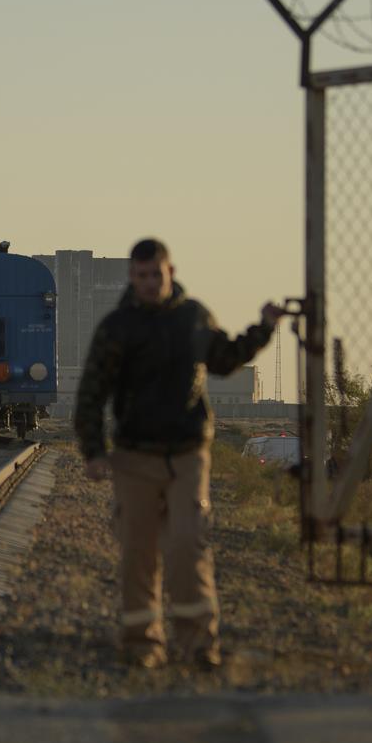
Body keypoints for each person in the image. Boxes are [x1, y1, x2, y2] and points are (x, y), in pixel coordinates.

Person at [74, 238, 283, 670]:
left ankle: (199, 645)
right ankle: (142, 644)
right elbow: (91, 393)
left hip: (187, 454)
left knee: (188, 545)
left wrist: (263, 328)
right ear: (133, 277)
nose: (151, 283)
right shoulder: (117, 328)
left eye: (157, 274)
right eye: (143, 276)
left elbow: (225, 359)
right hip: (135, 457)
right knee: (139, 552)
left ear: (171, 272)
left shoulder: (193, 318)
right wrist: (93, 451)